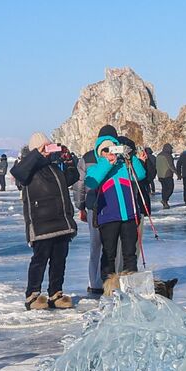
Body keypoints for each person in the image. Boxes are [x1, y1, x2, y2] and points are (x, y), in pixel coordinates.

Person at [12, 132, 79, 310]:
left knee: (59, 259)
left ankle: (55, 292)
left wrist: (69, 161)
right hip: (41, 222)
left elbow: (71, 179)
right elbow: (18, 174)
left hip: (61, 221)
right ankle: (32, 294)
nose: (49, 151)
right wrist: (37, 154)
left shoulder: (54, 166)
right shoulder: (27, 166)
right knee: (40, 259)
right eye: (45, 147)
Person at [84, 133, 148, 292]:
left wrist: (130, 156)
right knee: (108, 255)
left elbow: (140, 174)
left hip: (129, 216)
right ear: (99, 152)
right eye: (105, 149)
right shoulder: (97, 168)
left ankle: (132, 289)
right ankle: (108, 290)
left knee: (130, 254)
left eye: (112, 148)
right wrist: (107, 163)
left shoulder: (124, 166)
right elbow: (91, 181)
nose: (109, 152)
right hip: (108, 217)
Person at [80, 124, 118, 296]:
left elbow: (78, 186)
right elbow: (81, 184)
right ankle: (102, 281)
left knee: (97, 245)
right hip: (99, 204)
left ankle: (96, 281)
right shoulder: (91, 157)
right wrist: (82, 205)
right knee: (105, 245)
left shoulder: (87, 156)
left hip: (94, 205)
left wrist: (80, 205)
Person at [154, 143, 176, 209]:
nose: (172, 150)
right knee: (170, 188)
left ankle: (165, 202)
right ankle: (165, 200)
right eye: (171, 148)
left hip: (160, 175)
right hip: (167, 175)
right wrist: (178, 174)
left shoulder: (158, 155)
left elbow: (156, 165)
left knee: (164, 189)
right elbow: (171, 166)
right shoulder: (168, 155)